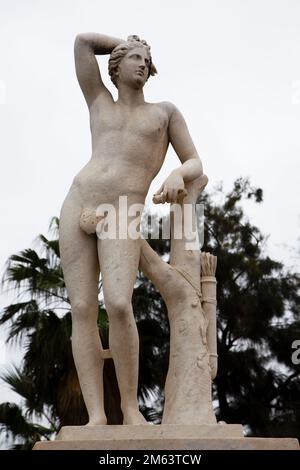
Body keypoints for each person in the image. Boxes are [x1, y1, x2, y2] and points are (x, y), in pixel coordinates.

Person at [59, 32, 204, 425]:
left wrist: (177, 172)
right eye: (134, 58)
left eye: (146, 59)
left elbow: (196, 162)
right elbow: (82, 43)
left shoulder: (164, 113)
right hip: (78, 203)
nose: (142, 64)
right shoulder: (99, 102)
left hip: (122, 209)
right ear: (117, 65)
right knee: (84, 310)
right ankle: (95, 418)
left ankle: (129, 409)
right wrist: (126, 40)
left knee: (120, 305)